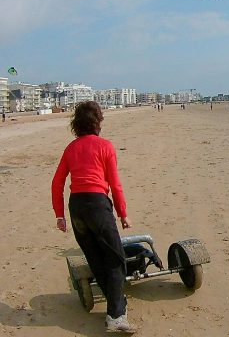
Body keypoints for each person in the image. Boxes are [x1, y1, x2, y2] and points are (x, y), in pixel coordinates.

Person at [51, 101, 135, 333]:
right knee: (116, 258)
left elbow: (57, 182)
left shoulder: (71, 148)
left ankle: (117, 306)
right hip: (97, 204)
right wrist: (123, 214)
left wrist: (60, 215)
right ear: (97, 122)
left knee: (96, 258)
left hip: (76, 207)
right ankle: (116, 317)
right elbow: (115, 185)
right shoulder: (105, 146)